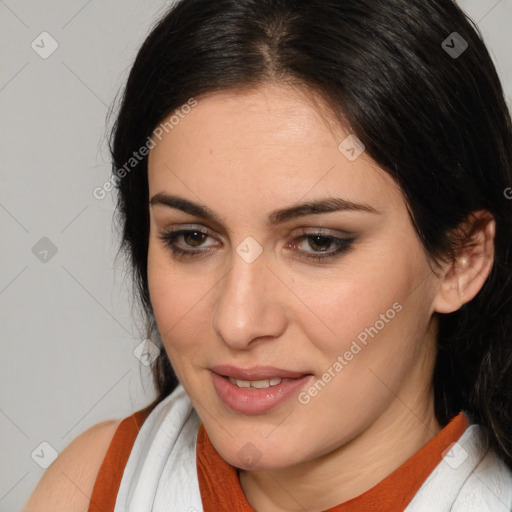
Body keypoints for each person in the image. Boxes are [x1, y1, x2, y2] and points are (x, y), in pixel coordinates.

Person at [25, 0, 512, 510]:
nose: (237, 323)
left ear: (462, 258)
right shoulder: (94, 485)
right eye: (192, 237)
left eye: (318, 242)